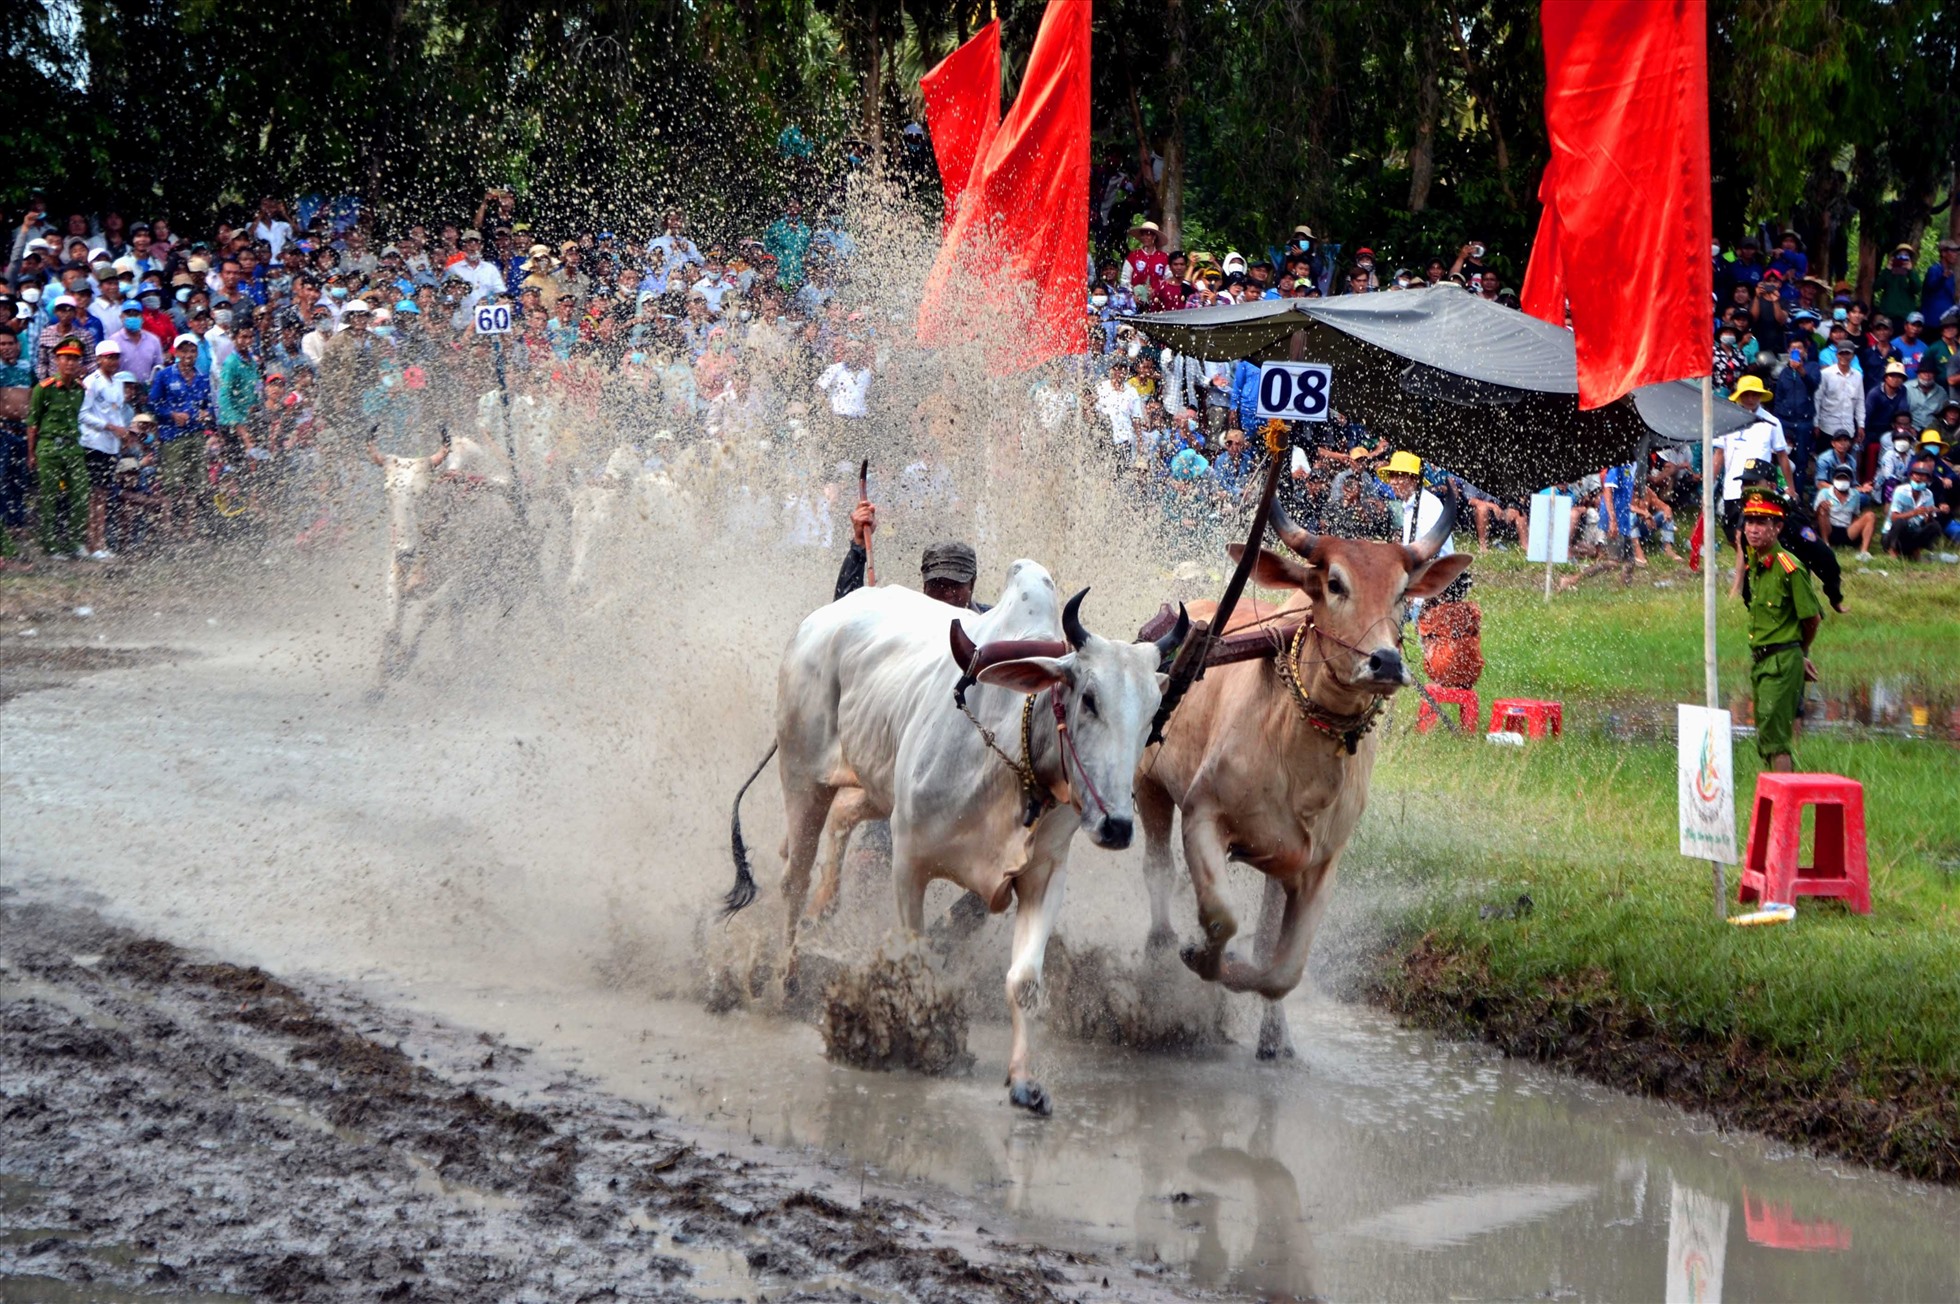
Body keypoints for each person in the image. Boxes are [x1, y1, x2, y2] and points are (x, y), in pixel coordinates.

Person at [1738, 492, 1821, 772]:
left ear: (1778, 527)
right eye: (1749, 520)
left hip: (1781, 662)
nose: (1753, 528)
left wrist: (1797, 653)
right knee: (1765, 736)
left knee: (1776, 741)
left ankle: (1784, 810)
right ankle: (1778, 801)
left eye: (1762, 521)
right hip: (1762, 661)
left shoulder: (1789, 567)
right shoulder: (1757, 564)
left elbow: (1812, 618)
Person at [27, 338, 91, 558]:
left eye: (75, 358)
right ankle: (50, 544)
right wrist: (31, 454)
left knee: (81, 494)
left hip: (73, 448)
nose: (71, 363)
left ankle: (75, 541)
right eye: (66, 358)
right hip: (49, 448)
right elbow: (33, 423)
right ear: (57, 360)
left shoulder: (80, 389)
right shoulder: (43, 389)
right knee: (49, 496)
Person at [1812, 467, 1877, 561]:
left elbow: (1855, 514)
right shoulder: (1824, 493)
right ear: (1834, 480)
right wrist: (1821, 507)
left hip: (1847, 530)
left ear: (1850, 480)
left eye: (1845, 479)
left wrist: (1858, 529)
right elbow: (1815, 515)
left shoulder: (1855, 495)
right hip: (1829, 528)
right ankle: (1826, 545)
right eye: (1839, 479)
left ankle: (1864, 552)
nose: (1842, 481)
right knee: (1822, 509)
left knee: (1871, 516)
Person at [1884, 458, 1944, 559]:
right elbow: (1893, 517)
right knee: (1900, 522)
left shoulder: (1928, 495)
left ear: (1928, 479)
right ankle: (1893, 549)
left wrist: (1929, 514)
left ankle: (1916, 549)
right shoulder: (1901, 491)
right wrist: (1914, 513)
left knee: (1935, 526)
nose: (1919, 478)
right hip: (1892, 535)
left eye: (1923, 475)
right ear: (1911, 476)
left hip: (1912, 534)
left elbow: (1927, 521)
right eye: (1916, 474)